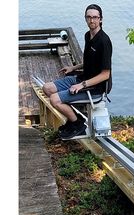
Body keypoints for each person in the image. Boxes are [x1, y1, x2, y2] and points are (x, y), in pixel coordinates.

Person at [42, 4, 112, 139]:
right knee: (47, 88)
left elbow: (105, 74)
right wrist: (73, 68)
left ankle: (77, 125)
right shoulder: (88, 36)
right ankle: (75, 118)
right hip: (82, 78)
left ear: (101, 19)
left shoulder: (104, 41)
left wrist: (82, 85)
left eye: (95, 17)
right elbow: (91, 61)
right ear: (86, 19)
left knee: (54, 99)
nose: (92, 20)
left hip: (94, 88)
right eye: (89, 17)